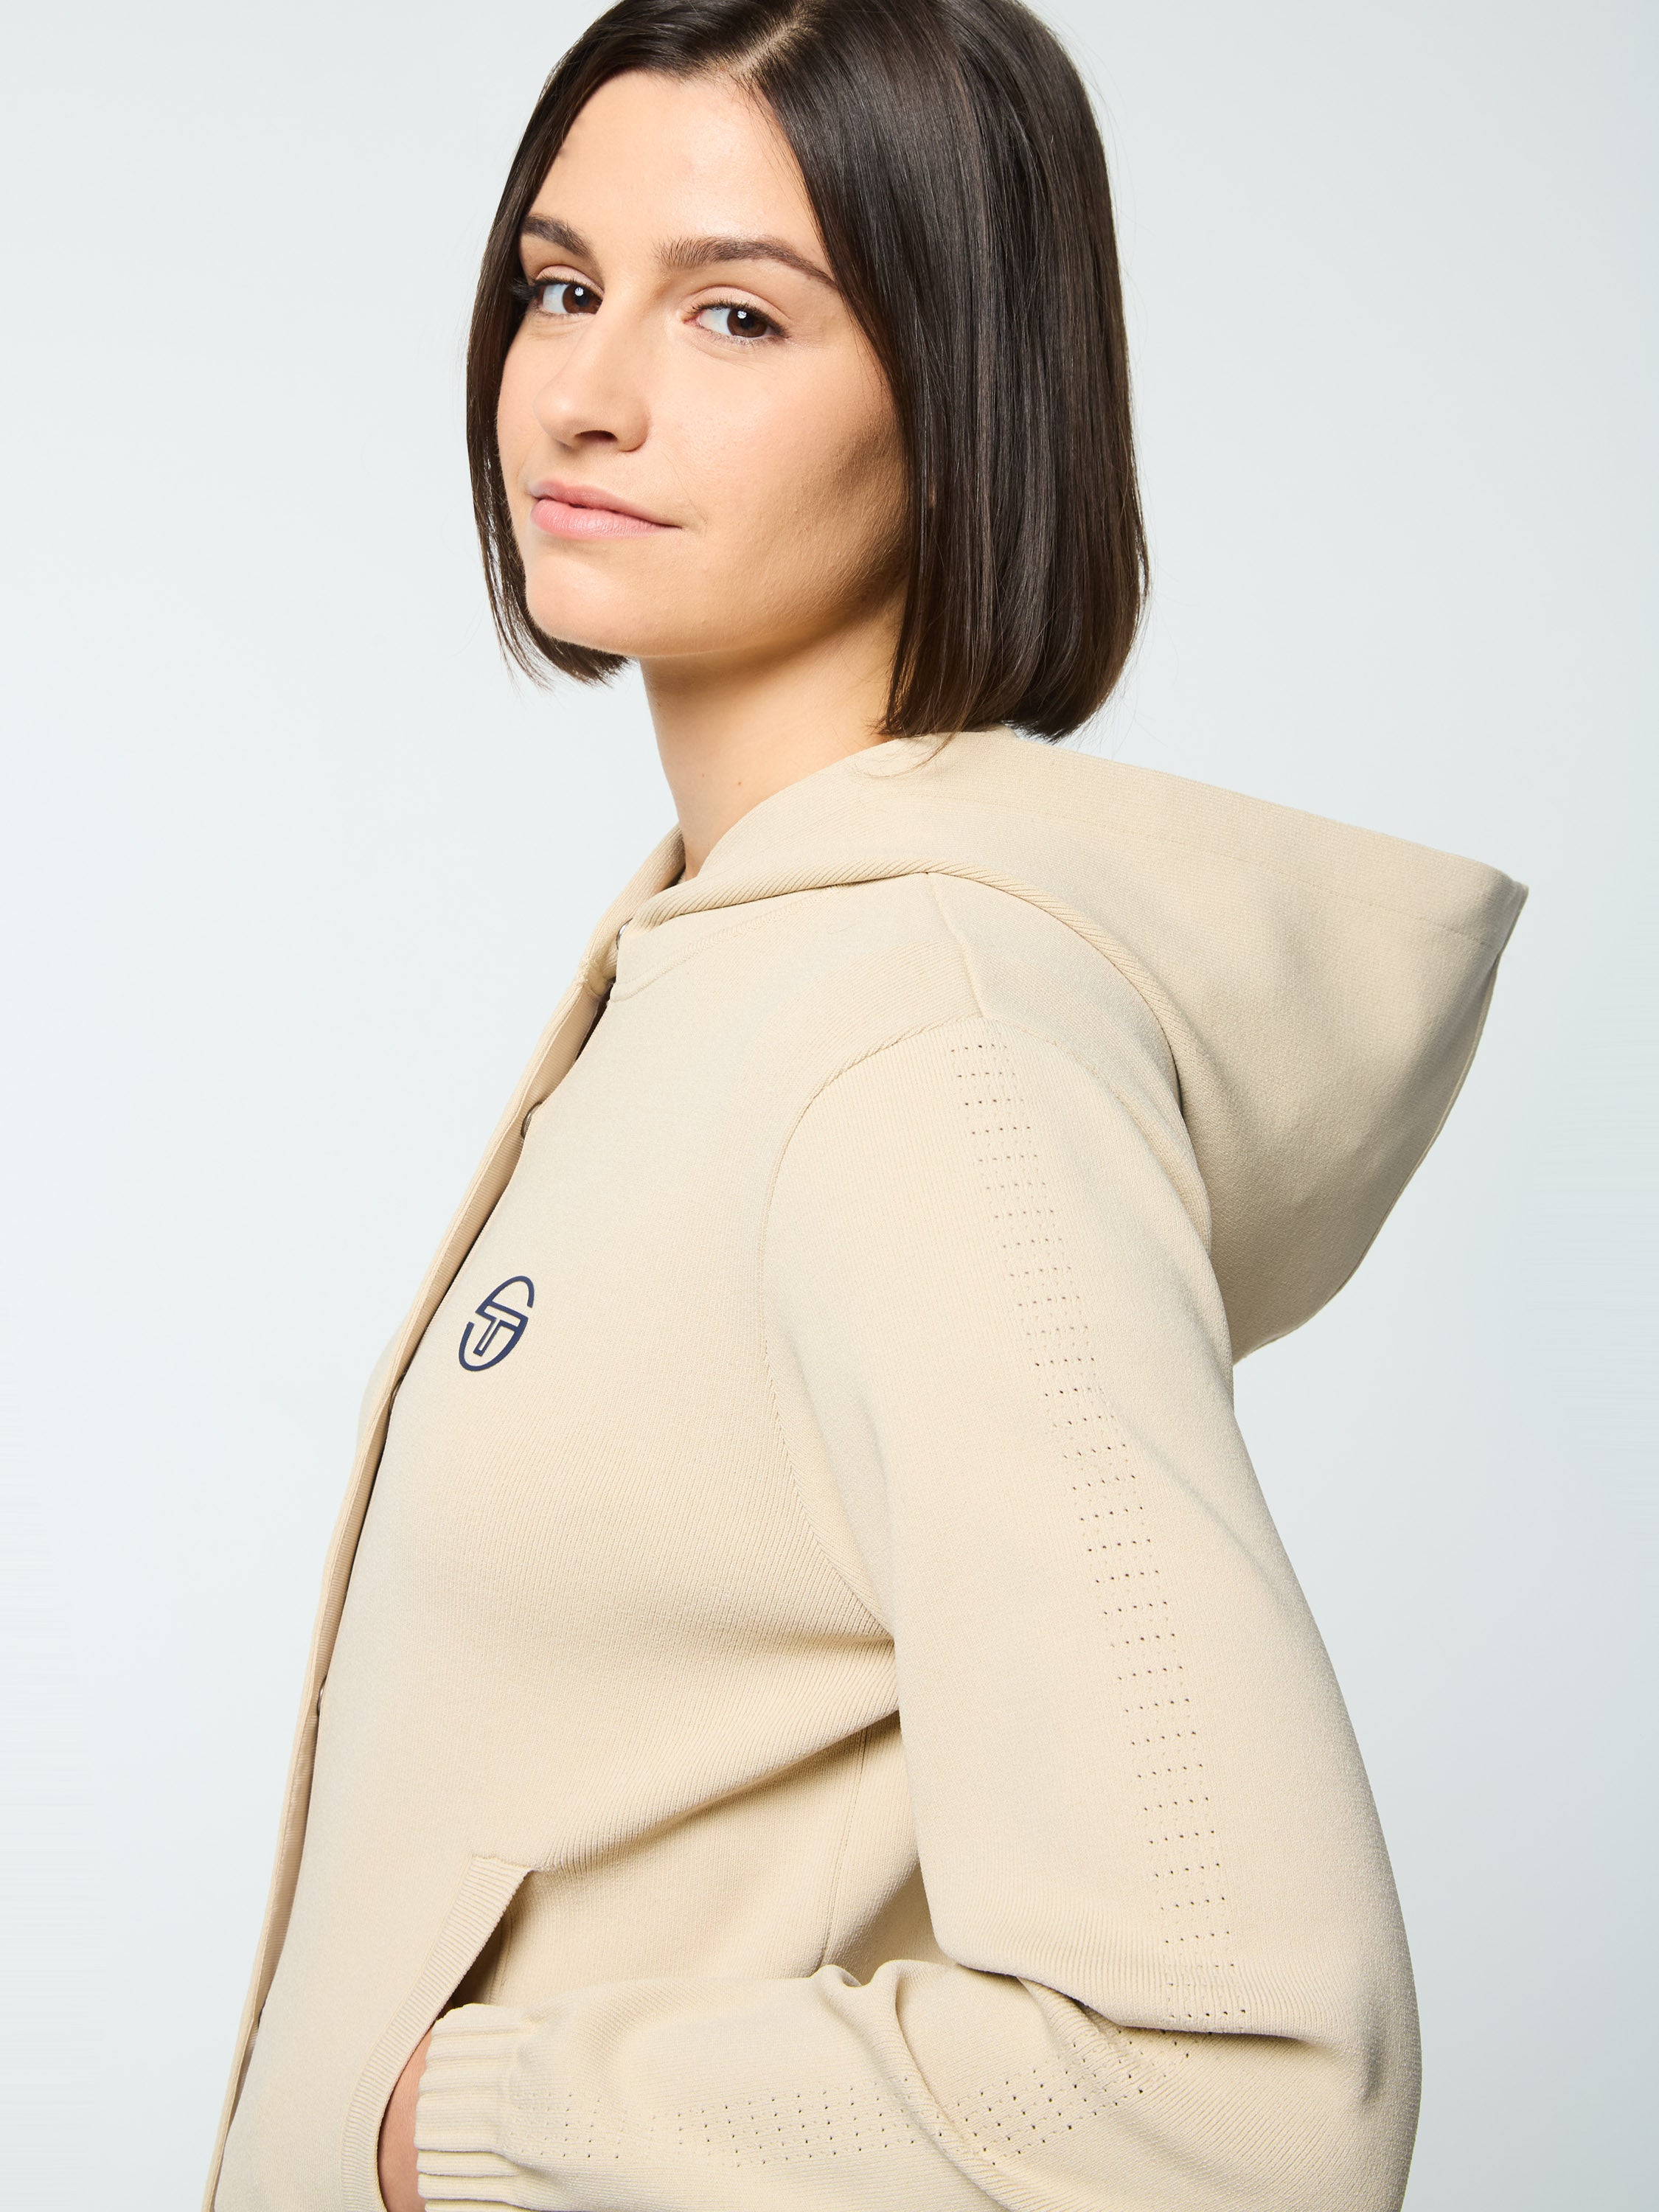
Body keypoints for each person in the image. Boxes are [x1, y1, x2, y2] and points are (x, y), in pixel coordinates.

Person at [205, 1, 1526, 2206]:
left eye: (736, 312)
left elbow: (1247, 2089)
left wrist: (478, 2126)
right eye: (561, 284)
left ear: (964, 388)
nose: (584, 389)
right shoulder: (728, 968)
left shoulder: (924, 1047)